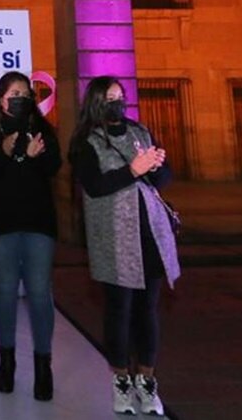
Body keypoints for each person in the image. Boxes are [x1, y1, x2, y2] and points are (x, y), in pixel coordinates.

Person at [68, 76, 179, 417]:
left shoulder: (139, 132)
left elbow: (162, 178)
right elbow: (95, 186)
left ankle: (146, 381)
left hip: (149, 234)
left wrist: (157, 165)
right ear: (96, 102)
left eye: (121, 96)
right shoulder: (86, 142)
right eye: (110, 97)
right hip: (114, 237)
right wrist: (133, 169)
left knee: (148, 310)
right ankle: (121, 381)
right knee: (119, 311)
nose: (117, 102)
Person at [0, 70, 62, 401]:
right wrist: (5, 152)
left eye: (25, 92)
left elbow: (54, 166)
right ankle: (6, 360)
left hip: (38, 223)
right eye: (14, 92)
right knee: (6, 291)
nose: (21, 97)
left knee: (39, 292)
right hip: (0, 223)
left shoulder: (42, 128)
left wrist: (36, 157)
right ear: (1, 98)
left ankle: (43, 364)